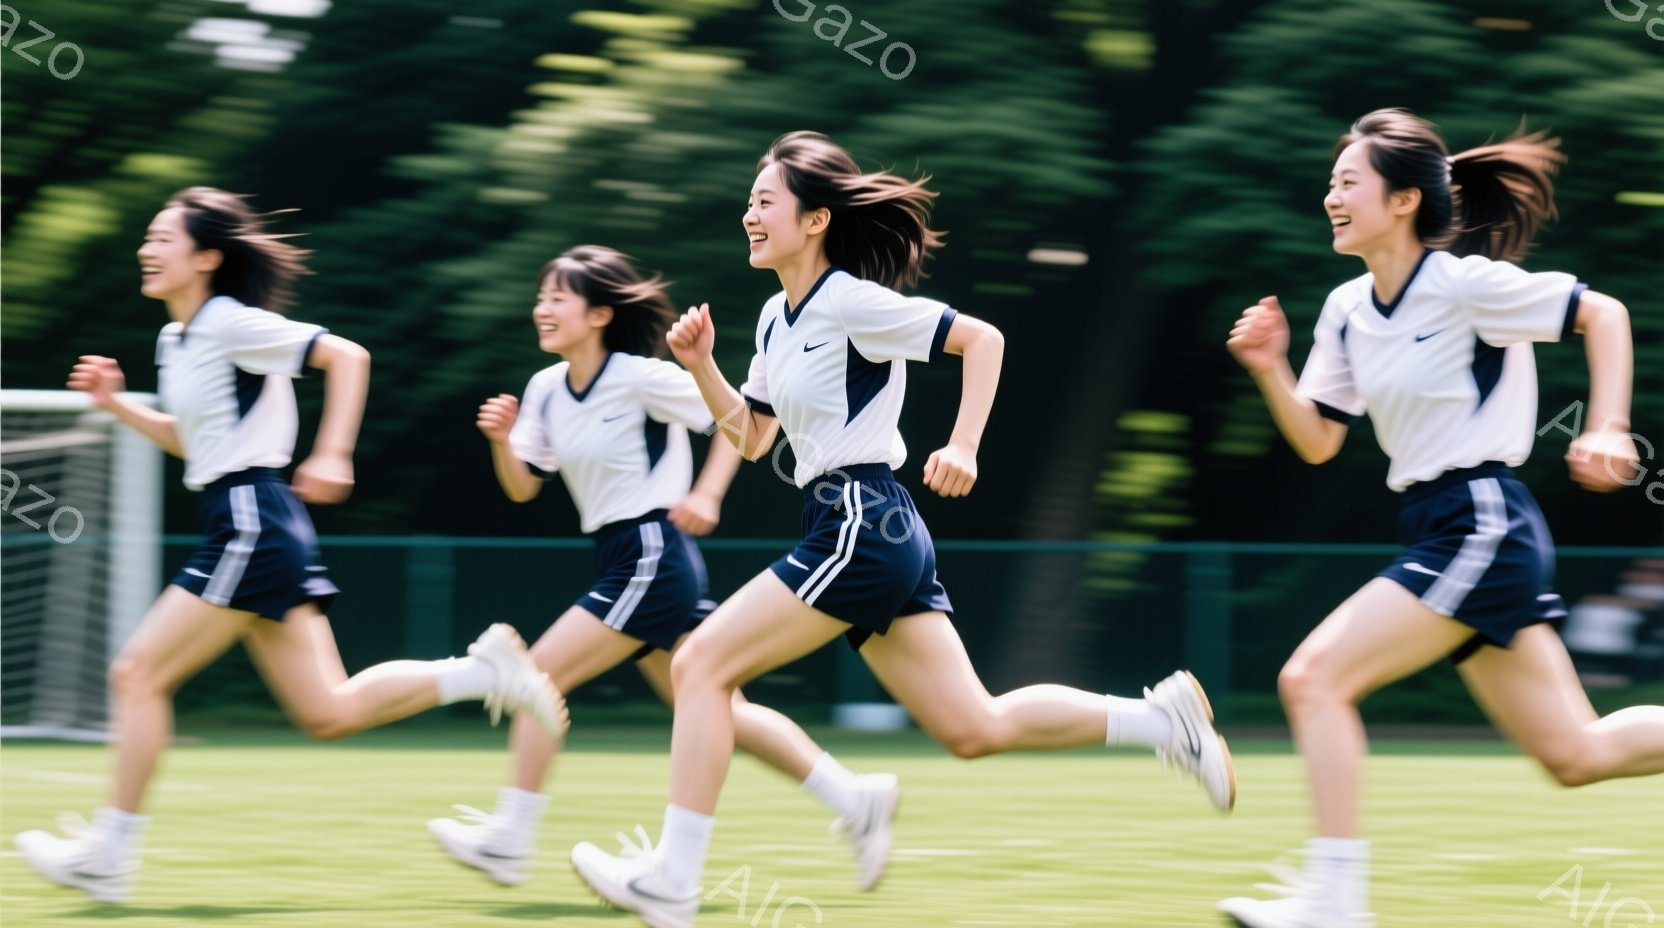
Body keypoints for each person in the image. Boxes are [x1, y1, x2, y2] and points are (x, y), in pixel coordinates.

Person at [570, 131, 1237, 928]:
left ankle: (672, 881)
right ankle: (1161, 721)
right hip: (862, 525)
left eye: (764, 202)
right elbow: (751, 438)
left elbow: (980, 338)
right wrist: (703, 365)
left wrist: (962, 444)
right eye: (749, 202)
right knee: (971, 727)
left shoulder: (850, 300)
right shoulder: (775, 319)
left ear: (814, 220)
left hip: (861, 519)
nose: (748, 214)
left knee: (701, 665)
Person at [13, 187, 566, 905]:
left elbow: (347, 356)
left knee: (136, 675)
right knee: (327, 713)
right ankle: (484, 674)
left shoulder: (228, 322)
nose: (146, 250)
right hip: (245, 517)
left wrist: (334, 452)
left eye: (161, 238)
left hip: (251, 517)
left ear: (208, 257)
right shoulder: (177, 339)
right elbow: (196, 442)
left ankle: (108, 854)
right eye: (147, 239)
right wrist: (121, 407)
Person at [1218, 108, 1664, 928]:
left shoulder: (1465, 285)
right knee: (1575, 753)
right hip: (1433, 524)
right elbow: (1318, 440)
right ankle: (1332, 899)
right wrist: (1269, 368)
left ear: (1402, 202)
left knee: (1312, 679)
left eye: (1348, 181)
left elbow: (1603, 314)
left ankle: (1335, 902)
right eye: (1331, 182)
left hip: (1482, 518)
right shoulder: (1348, 308)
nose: (1331, 196)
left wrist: (1605, 424)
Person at [426, 245, 898, 891]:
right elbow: (522, 488)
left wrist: (706, 494)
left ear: (597, 313)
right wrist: (501, 443)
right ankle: (854, 798)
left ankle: (510, 839)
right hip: (620, 557)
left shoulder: (639, 376)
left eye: (556, 298)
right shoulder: (543, 390)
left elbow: (741, 426)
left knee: (536, 676)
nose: (542, 309)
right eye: (541, 297)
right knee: (716, 706)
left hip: (653, 553)